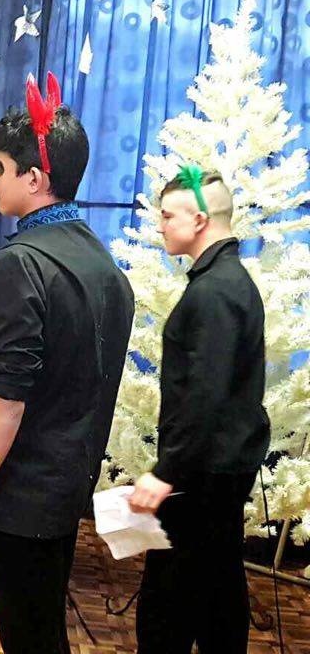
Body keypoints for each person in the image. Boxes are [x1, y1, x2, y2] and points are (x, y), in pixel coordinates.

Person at [0, 73, 135, 653]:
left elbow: (5, 402)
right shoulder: (104, 265)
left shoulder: (22, 263)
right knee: (43, 633)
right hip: (66, 490)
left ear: (34, 177)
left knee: (29, 636)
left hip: (21, 500)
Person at [129, 168, 270, 654]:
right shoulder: (227, 281)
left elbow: (206, 395)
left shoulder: (215, 292)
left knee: (168, 612)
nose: (160, 225)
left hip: (202, 479)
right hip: (217, 471)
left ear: (201, 220)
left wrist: (166, 473)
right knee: (217, 598)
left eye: (168, 216)